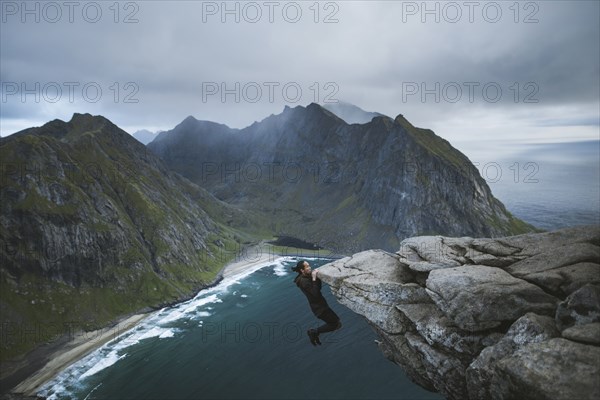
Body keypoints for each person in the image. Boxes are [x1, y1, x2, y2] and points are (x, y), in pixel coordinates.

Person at [292, 260, 342, 346]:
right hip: (320, 309)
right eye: (307, 266)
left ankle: (315, 334)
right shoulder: (303, 281)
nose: (310, 267)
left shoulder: (306, 277)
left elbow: (317, 288)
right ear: (302, 270)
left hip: (321, 306)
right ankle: (313, 332)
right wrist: (314, 278)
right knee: (335, 324)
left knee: (337, 323)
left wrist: (315, 277)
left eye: (309, 265)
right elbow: (315, 294)